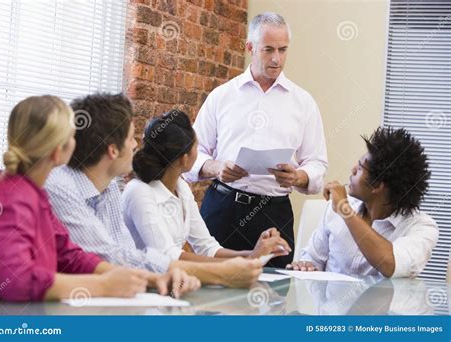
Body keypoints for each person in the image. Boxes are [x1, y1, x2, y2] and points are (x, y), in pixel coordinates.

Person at [0, 95, 198, 302]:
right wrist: (103, 285)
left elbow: (71, 255)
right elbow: (18, 281)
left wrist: (147, 278)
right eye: (73, 135)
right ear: (58, 151)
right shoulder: (8, 199)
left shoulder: (34, 193)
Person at [45, 93, 263, 288]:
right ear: (112, 150)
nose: (135, 146)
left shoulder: (109, 188)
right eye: (131, 138)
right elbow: (110, 258)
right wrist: (220, 273)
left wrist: (168, 275)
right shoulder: (61, 188)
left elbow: (128, 255)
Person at [184, 12, 328, 268]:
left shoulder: (303, 103)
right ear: (250, 47)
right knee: (207, 295)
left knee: (272, 298)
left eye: (283, 50)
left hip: (274, 215)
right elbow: (192, 154)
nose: (277, 59)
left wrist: (299, 177)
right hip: (222, 208)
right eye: (268, 50)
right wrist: (217, 168)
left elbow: (317, 163)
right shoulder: (222, 96)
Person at [122, 110, 291, 263]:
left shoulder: (181, 187)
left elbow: (207, 247)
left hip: (169, 283)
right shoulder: (139, 191)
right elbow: (168, 257)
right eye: (197, 146)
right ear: (184, 159)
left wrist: (255, 253)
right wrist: (246, 263)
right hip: (139, 288)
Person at [287, 127, 439, 278]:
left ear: (377, 186)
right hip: (328, 302)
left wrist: (345, 210)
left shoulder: (422, 228)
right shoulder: (336, 209)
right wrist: (305, 266)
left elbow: (391, 265)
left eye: (360, 168)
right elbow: (312, 260)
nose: (352, 170)